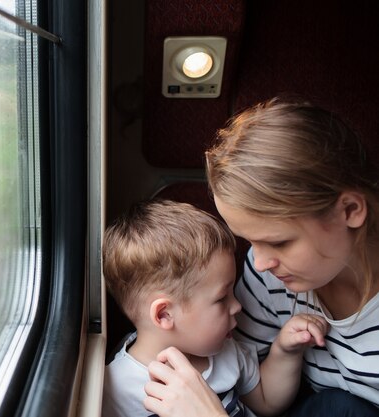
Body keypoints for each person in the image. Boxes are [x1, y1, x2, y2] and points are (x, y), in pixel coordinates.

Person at [144, 97, 379, 417]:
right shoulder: (270, 275)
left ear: (350, 210)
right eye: (250, 242)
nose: (259, 262)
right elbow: (248, 378)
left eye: (279, 242)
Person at [102, 199, 328, 417]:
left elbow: (266, 403)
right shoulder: (118, 388)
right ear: (164, 315)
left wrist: (285, 352)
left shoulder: (224, 351)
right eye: (222, 298)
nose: (237, 306)